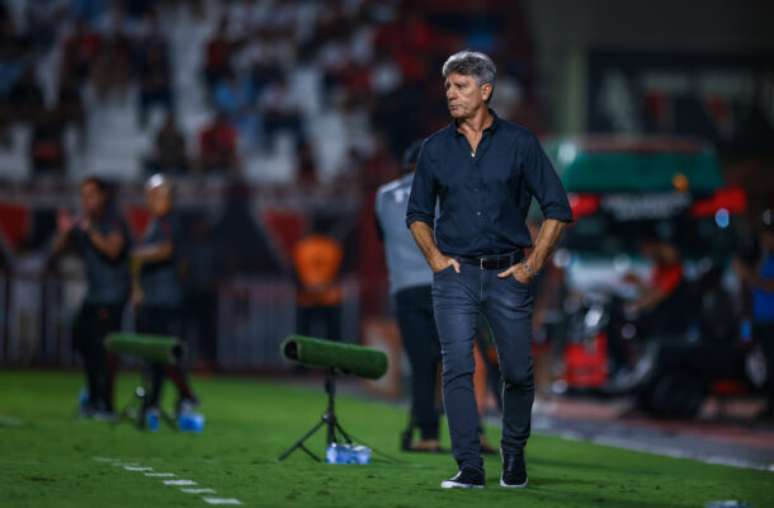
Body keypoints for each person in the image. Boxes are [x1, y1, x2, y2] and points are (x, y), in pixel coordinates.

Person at [406, 51, 572, 489]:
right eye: (447, 88)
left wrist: (532, 265)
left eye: (460, 87)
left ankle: (513, 455)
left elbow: (558, 208)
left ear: (485, 91)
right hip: (455, 276)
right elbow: (417, 214)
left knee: (518, 371)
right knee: (458, 366)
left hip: (509, 275)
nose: (451, 95)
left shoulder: (521, 143)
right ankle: (469, 467)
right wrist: (437, 261)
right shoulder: (435, 149)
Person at [377, 140, 499, 453]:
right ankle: (473, 433)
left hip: (405, 289)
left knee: (422, 365)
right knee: (457, 362)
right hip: (445, 285)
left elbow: (385, 236)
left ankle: (428, 436)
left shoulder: (383, 196)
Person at [51, 176, 131, 417]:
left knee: (104, 350)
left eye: (91, 195)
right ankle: (94, 397)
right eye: (84, 195)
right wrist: (65, 232)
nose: (86, 200)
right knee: (82, 339)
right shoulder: (86, 223)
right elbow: (56, 250)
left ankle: (105, 404)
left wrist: (90, 231)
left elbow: (113, 251)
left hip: (113, 295)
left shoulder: (112, 221)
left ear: (103, 196)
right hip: (94, 295)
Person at [132, 174, 200, 427]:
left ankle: (184, 396)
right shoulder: (156, 222)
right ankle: (156, 402)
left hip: (167, 298)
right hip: (156, 297)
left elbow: (167, 249)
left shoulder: (170, 221)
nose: (154, 199)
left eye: (159, 194)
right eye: (151, 194)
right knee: (157, 353)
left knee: (164, 352)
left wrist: (136, 254)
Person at [735, 209, 774, 420]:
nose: (765, 239)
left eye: (768, 235)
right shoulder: (765, 257)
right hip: (763, 319)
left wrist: (747, 274)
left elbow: (768, 285)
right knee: (767, 364)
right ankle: (770, 404)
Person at [292, 221, 344, 342]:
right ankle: (333, 359)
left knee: (303, 337)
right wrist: (323, 286)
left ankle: (301, 360)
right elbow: (340, 272)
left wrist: (306, 287)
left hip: (306, 298)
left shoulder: (302, 247)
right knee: (333, 337)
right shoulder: (333, 247)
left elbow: (294, 272)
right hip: (330, 297)